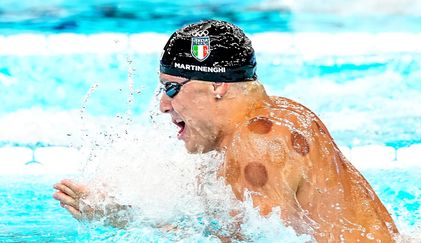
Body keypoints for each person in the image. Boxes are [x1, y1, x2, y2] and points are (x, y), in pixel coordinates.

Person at [53, 20, 399, 242]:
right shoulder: (282, 113)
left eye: (172, 88)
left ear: (218, 86)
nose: (162, 105)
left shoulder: (256, 143)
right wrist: (130, 213)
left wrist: (123, 222)